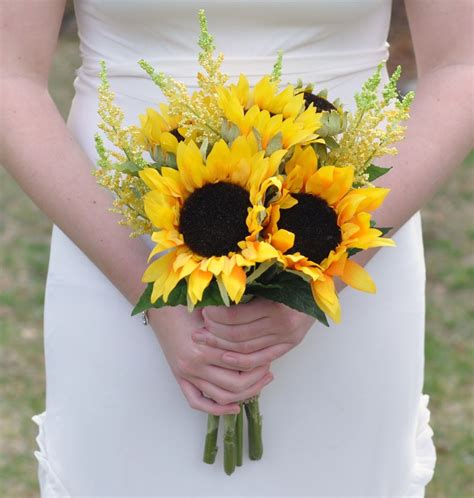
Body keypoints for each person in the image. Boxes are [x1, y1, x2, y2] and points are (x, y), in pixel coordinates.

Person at [1, 0, 472, 496]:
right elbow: (10, 74)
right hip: (113, 246)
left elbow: (462, 63)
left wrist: (322, 276)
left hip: (349, 242)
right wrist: (152, 291)